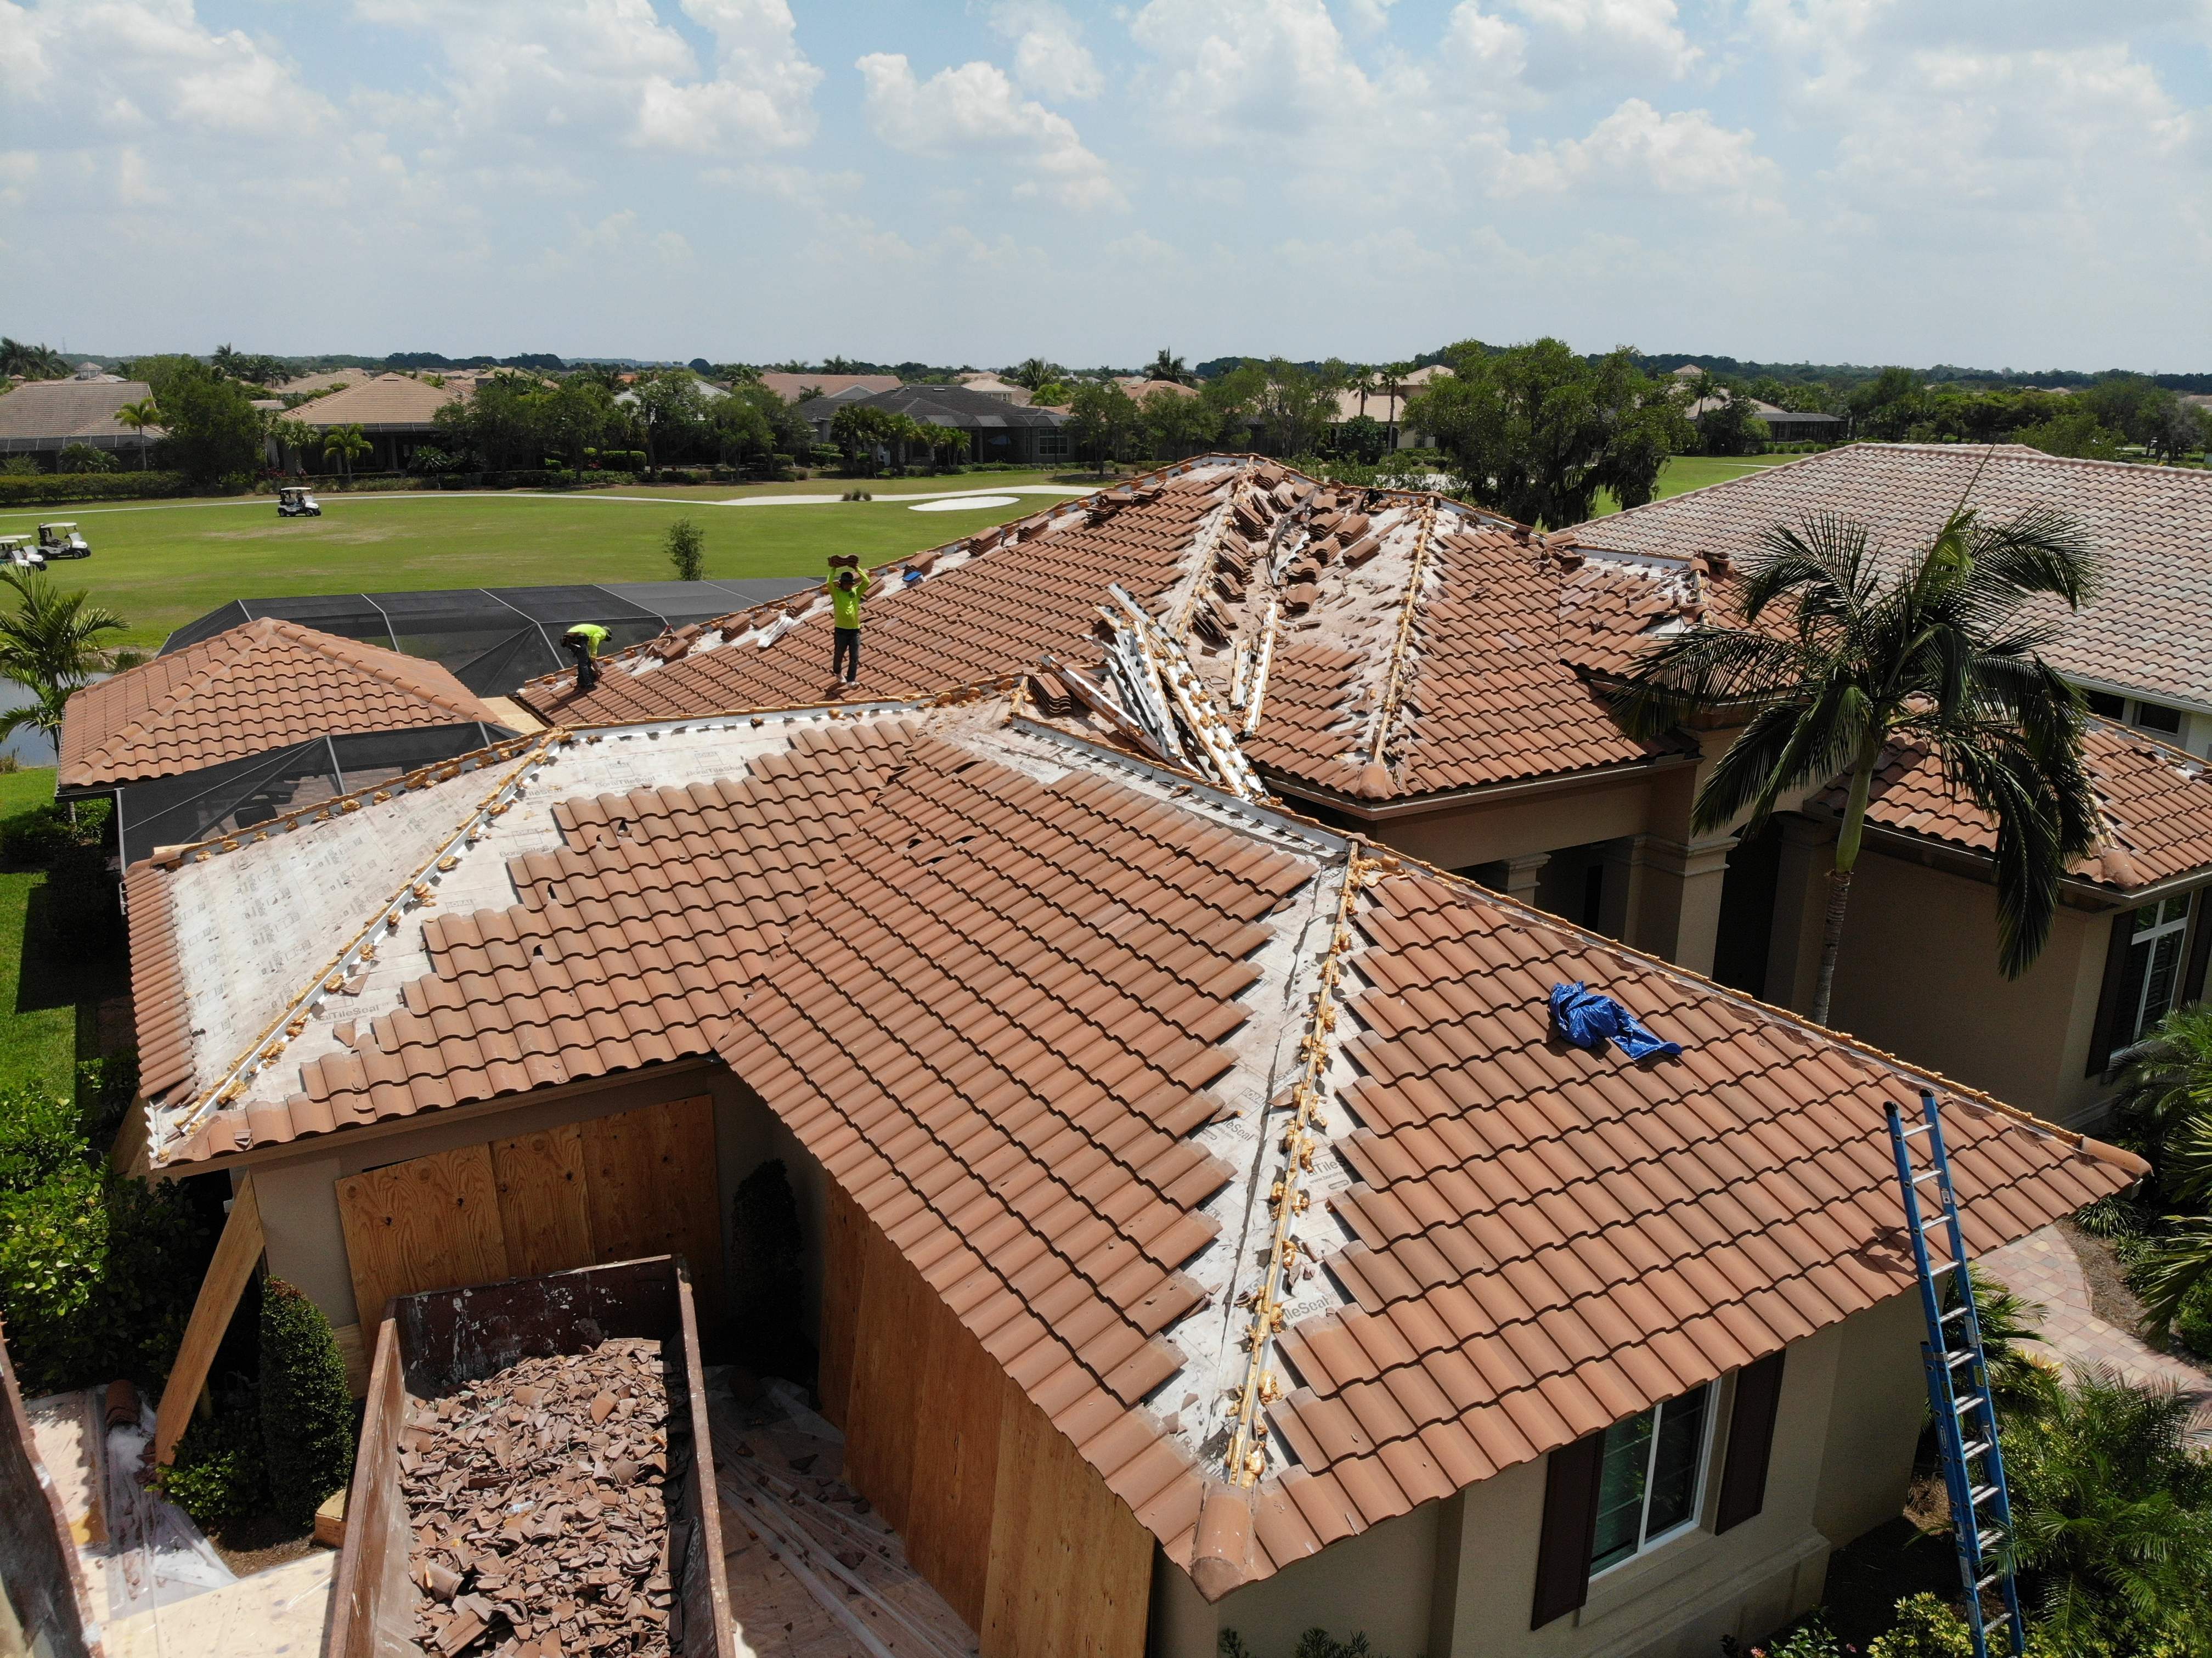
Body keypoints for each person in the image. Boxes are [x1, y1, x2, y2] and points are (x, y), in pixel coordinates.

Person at [829, 568, 865, 685]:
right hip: (841, 630)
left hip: (854, 630)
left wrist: (857, 568)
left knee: (854, 656)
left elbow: (867, 582)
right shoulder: (836, 593)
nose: (849, 587)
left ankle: (851, 680)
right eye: (847, 584)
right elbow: (829, 582)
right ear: (842, 584)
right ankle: (838, 672)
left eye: (850, 584)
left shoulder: (855, 593)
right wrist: (833, 569)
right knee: (839, 653)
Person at [563, 622, 609, 693]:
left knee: (582, 661)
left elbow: (590, 645)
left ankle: (581, 682)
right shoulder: (603, 632)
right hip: (578, 638)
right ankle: (589, 684)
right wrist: (593, 655)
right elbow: (595, 639)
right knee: (585, 663)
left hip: (568, 640)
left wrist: (592, 657)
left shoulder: (593, 630)